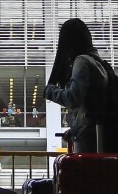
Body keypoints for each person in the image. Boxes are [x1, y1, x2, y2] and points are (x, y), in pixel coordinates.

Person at [44, 19, 108, 153]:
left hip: (88, 139)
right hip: (100, 134)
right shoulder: (96, 61)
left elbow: (73, 98)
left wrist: (50, 91)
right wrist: (74, 130)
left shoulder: (82, 61)